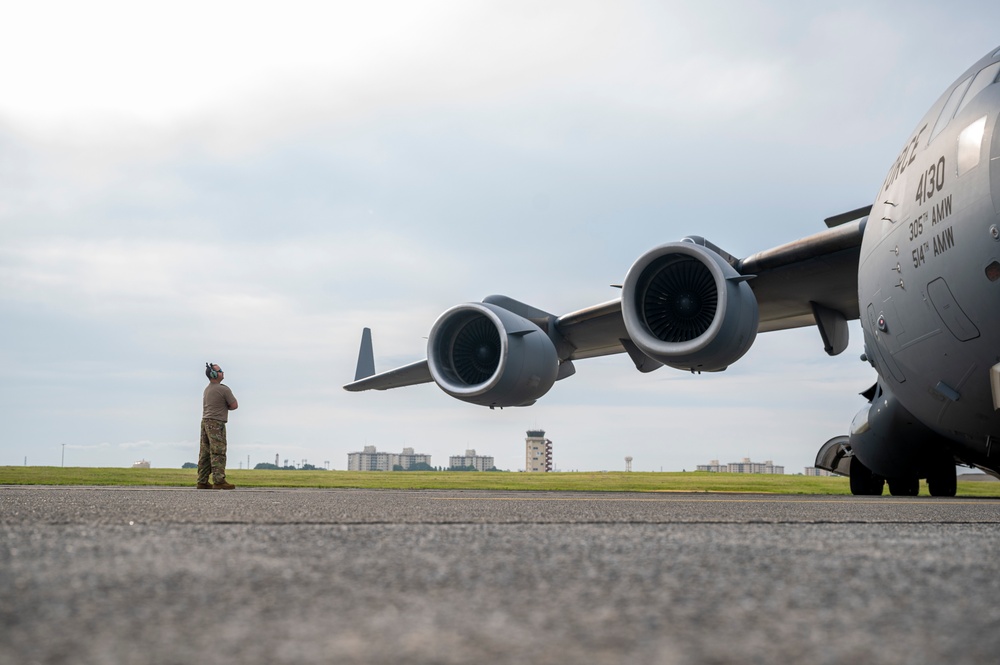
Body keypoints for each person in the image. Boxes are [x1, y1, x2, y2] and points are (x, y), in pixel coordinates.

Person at [197, 362, 239, 489]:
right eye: (220, 370)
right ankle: (219, 480)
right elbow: (234, 405)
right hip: (216, 423)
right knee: (218, 451)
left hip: (205, 422)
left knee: (205, 453)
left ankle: (202, 481)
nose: (222, 372)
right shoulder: (223, 389)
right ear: (214, 374)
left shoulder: (207, 389)